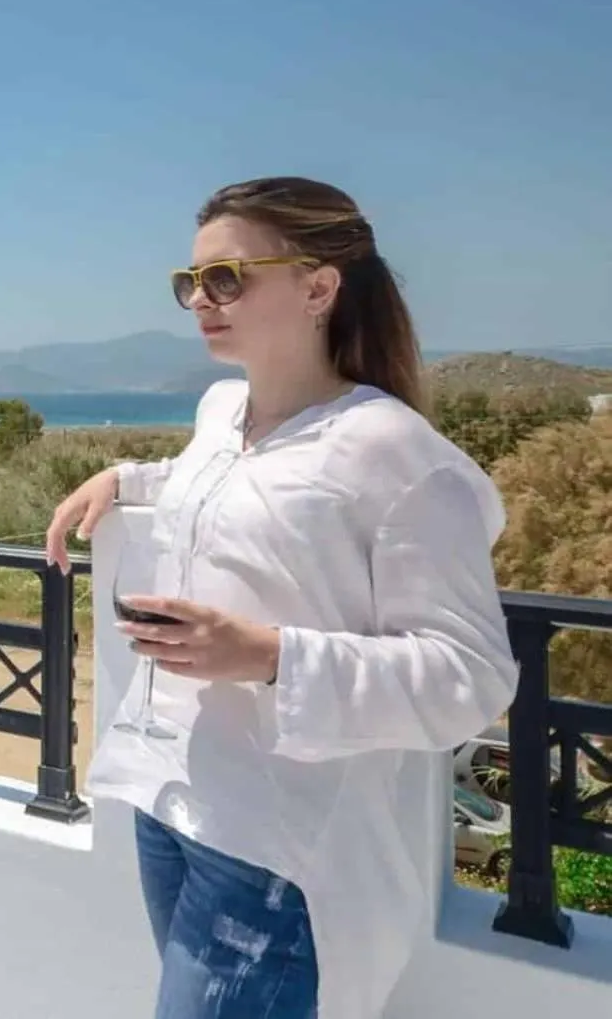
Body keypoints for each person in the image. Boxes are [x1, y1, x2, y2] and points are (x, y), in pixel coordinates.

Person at [45, 177, 517, 1019]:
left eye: (227, 277)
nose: (200, 299)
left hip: (273, 844)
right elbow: (239, 485)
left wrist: (270, 655)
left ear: (318, 285)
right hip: (170, 802)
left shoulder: (398, 454)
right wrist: (125, 477)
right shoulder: (223, 410)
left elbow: (471, 675)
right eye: (188, 282)